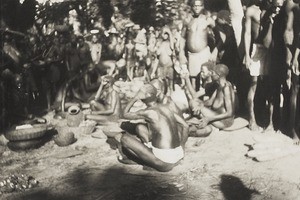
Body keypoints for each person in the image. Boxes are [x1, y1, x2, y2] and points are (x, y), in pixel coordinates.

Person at [118, 84, 189, 172]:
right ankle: (152, 155)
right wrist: (182, 146)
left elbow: (123, 114)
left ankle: (146, 162)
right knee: (140, 128)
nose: (138, 92)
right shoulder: (166, 107)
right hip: (178, 154)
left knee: (124, 139)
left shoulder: (148, 112)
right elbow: (185, 125)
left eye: (140, 91)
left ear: (147, 95)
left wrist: (135, 98)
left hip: (164, 161)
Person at [244, 0, 284, 131]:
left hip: (271, 49)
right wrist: (247, 55)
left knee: (270, 84)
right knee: (253, 83)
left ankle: (271, 123)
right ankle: (252, 119)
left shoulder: (274, 10)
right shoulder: (251, 10)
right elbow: (247, 33)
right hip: (256, 49)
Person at [188, 64, 236, 137]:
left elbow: (229, 113)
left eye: (213, 73)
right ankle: (206, 125)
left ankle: (202, 122)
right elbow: (210, 102)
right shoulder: (219, 85)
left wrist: (209, 118)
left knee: (194, 105)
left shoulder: (226, 88)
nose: (211, 74)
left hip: (224, 121)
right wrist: (200, 105)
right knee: (193, 101)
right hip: (215, 115)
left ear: (218, 75)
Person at [179, 0, 214, 89]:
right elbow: (182, 38)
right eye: (195, 6)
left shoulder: (207, 19)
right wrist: (181, 53)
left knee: (206, 78)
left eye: (199, 6)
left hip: (204, 52)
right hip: (192, 54)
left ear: (203, 6)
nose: (197, 8)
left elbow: (218, 35)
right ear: (191, 7)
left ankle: (206, 100)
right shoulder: (187, 20)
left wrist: (215, 51)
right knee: (193, 78)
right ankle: (196, 101)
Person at [156, 27, 176, 94]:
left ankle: (171, 94)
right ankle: (164, 94)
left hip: (169, 65)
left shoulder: (170, 43)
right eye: (164, 34)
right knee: (163, 81)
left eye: (166, 34)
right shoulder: (160, 43)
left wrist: (170, 33)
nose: (165, 36)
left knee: (170, 81)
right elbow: (157, 54)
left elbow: (172, 47)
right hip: (161, 66)